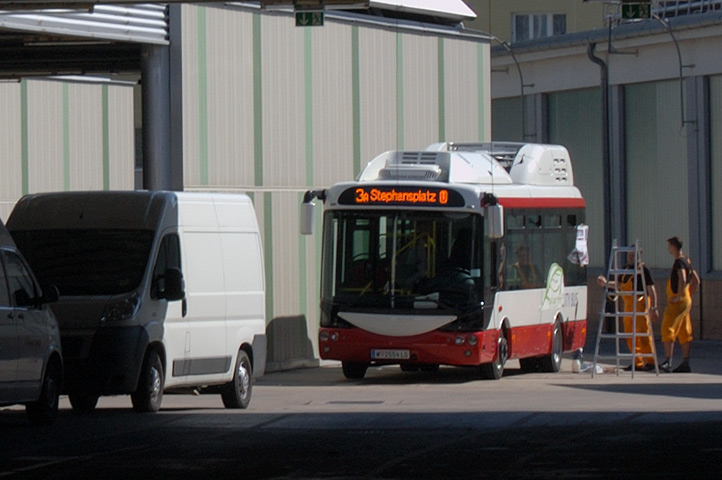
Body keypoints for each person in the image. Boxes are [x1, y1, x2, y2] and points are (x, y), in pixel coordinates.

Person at [597, 248, 659, 371]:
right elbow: (619, 285)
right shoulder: (625, 269)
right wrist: (606, 283)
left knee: (643, 333)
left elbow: (651, 289)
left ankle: (650, 361)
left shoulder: (643, 270)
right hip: (628, 306)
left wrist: (654, 307)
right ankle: (637, 362)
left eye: (634, 255)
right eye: (630, 255)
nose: (631, 257)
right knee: (629, 334)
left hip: (641, 305)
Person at [660, 236, 699, 373]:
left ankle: (667, 361)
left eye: (669, 246)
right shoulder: (687, 260)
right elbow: (696, 281)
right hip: (686, 300)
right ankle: (685, 363)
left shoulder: (679, 262)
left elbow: (682, 277)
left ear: (674, 246)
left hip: (678, 301)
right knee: (684, 331)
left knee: (668, 328)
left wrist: (679, 297)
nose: (668, 249)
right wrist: (688, 295)